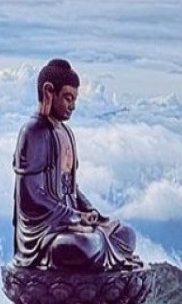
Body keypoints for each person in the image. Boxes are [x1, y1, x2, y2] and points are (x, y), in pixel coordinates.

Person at [12, 58, 140, 271]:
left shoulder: (66, 133)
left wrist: (91, 212)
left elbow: (71, 188)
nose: (73, 106)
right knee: (82, 246)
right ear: (48, 92)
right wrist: (73, 217)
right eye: (68, 98)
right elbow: (31, 196)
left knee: (126, 234)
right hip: (46, 234)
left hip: (72, 223)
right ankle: (97, 256)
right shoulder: (33, 132)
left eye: (75, 99)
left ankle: (100, 253)